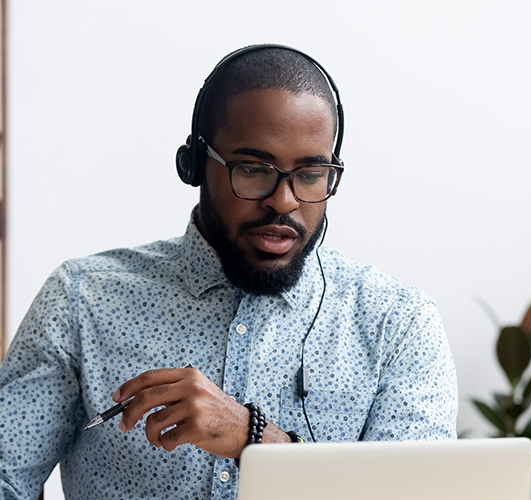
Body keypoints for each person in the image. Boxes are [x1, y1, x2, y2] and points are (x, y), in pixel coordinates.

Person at [0, 44, 457, 499]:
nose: (284, 201)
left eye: (312, 174)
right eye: (254, 169)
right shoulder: (81, 299)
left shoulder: (398, 323)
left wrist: (255, 439)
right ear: (196, 164)